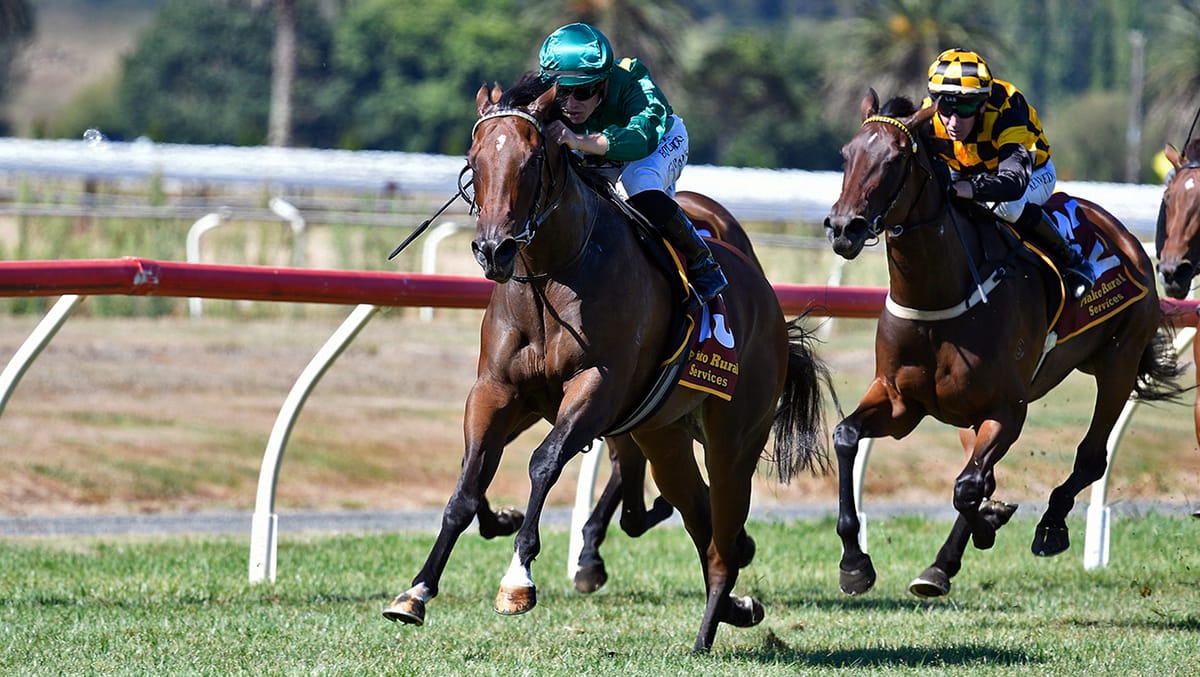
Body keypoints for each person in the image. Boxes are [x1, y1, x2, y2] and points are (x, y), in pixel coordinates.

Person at [537, 22, 728, 307]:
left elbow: (641, 139)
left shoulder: (632, 79)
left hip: (658, 141)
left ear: (603, 82)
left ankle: (704, 264)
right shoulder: (552, 98)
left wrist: (578, 141)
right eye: (562, 92)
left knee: (636, 181)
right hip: (598, 149)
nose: (571, 103)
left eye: (583, 91)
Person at [923, 48, 1096, 299]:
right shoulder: (930, 116)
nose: (953, 121)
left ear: (982, 104)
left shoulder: (1008, 109)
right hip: (969, 172)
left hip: (1032, 173)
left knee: (1008, 206)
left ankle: (1072, 259)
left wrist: (964, 189)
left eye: (966, 107)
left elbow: (1013, 182)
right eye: (946, 108)